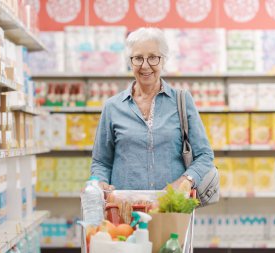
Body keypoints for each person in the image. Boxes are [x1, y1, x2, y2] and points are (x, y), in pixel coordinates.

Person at [91, 27, 214, 191]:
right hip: (126, 209)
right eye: (138, 58)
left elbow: (205, 156)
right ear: (130, 62)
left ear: (163, 60)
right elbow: (101, 162)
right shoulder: (112, 106)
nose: (145, 65)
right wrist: (100, 182)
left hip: (171, 207)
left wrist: (185, 181)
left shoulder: (182, 101)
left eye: (153, 58)